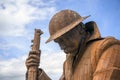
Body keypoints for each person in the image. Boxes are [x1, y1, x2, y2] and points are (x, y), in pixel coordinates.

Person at [26, 9, 120, 80]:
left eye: (65, 38)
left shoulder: (109, 48)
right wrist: (37, 74)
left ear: (80, 28)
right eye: (58, 42)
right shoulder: (68, 62)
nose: (62, 46)